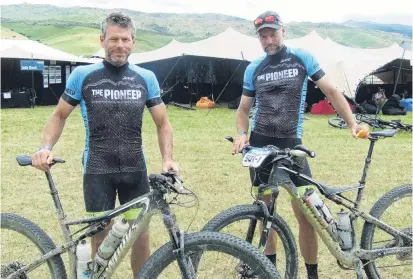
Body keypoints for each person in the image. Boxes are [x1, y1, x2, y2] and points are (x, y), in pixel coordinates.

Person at [31, 12, 178, 278]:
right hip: (98, 170)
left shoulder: (146, 78)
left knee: (140, 234)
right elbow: (59, 115)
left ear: (133, 42)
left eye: (125, 39)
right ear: (102, 40)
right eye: (113, 39)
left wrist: (167, 159)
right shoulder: (83, 75)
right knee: (100, 236)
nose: (119, 45)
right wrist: (45, 147)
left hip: (135, 170)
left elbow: (163, 124)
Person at [232, 11, 368, 279]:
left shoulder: (301, 58)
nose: (269, 40)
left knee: (305, 215)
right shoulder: (254, 68)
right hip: (259, 147)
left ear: (283, 31)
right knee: (264, 213)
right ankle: (268, 271)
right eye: (263, 36)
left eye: (273, 33)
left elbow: (331, 91)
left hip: (292, 146)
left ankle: (312, 274)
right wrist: (241, 133)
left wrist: (352, 123)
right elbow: (243, 109)